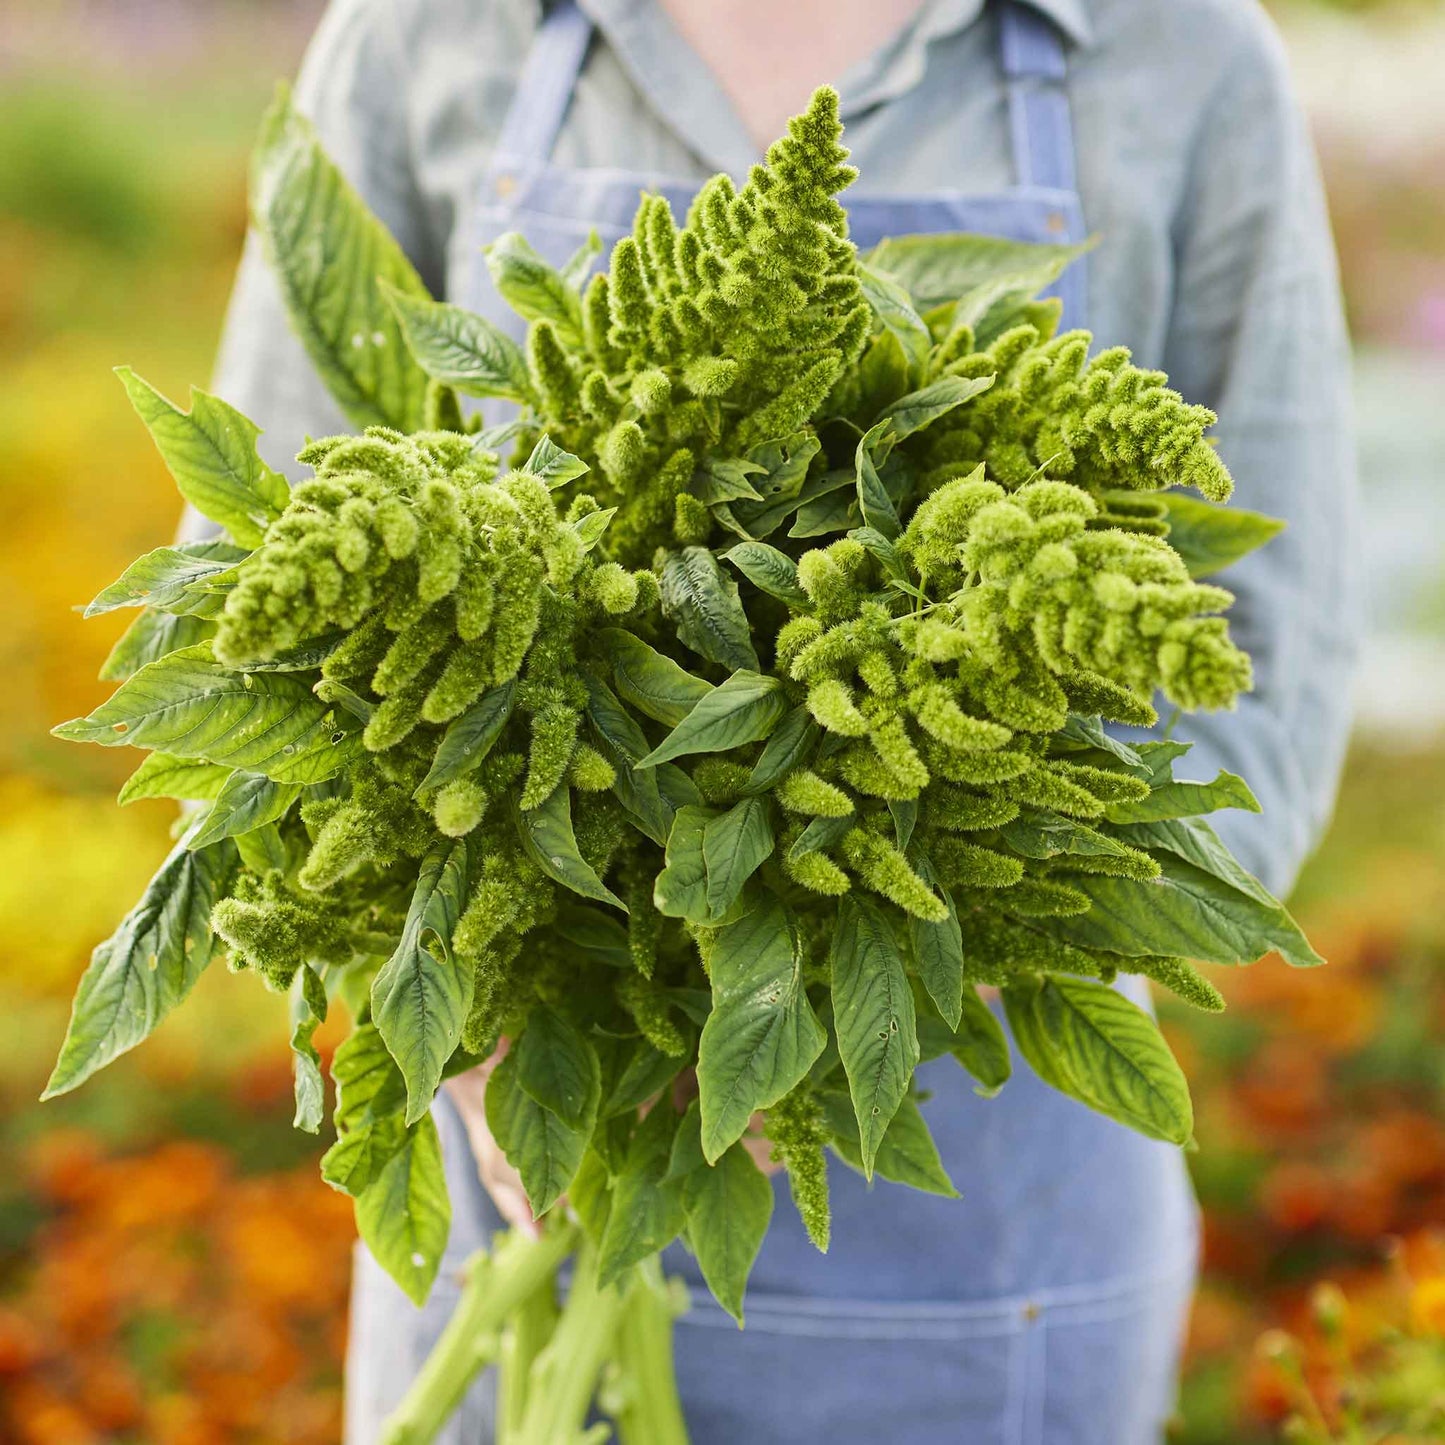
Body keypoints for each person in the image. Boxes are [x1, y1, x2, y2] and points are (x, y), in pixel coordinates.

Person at [206, 0, 1359, 1440]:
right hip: (520, 1172)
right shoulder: (430, 29)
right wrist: (465, 995)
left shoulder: (1173, 48)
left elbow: (1272, 655)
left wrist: (924, 963)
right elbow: (252, 586)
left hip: (980, 1248)